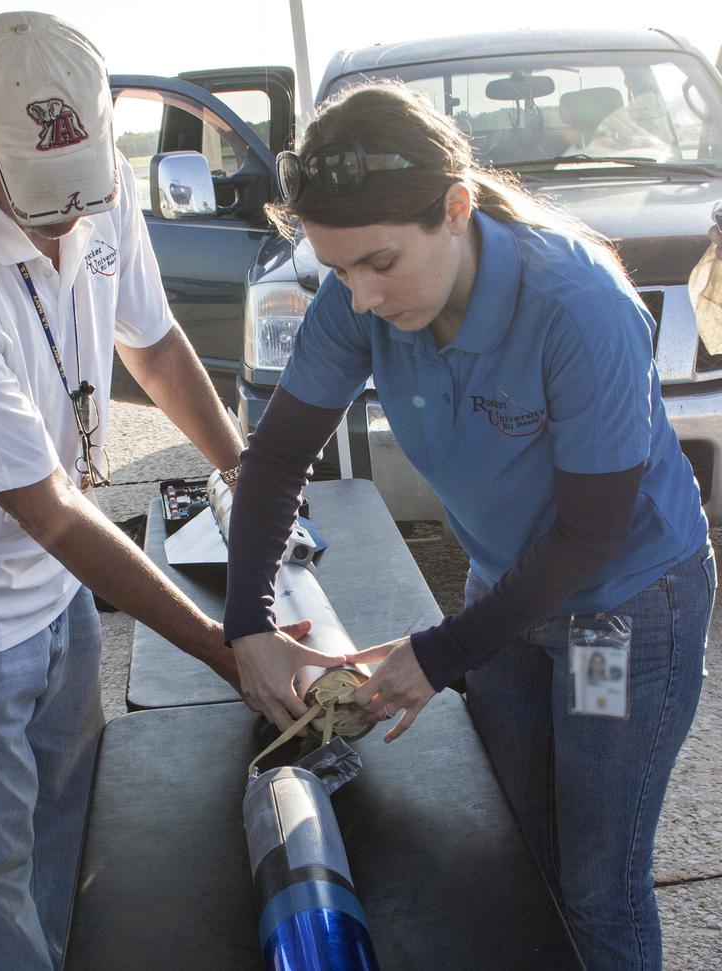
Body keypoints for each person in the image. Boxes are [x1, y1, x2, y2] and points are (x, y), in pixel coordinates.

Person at [0, 11, 338, 969]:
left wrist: (245, 474)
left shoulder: (98, 189)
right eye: (42, 201)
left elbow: (151, 343)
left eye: (82, 195)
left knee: (73, 834)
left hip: (55, 588)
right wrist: (232, 645)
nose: (70, 218)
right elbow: (52, 506)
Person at [223, 82, 711, 971]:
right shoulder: (359, 300)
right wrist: (249, 623)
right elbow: (278, 452)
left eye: (379, 263)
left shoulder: (576, 304)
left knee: (598, 876)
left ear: (456, 209)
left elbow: (591, 536)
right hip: (504, 594)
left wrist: (437, 656)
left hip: (619, 614)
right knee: (520, 843)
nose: (360, 298)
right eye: (338, 271)